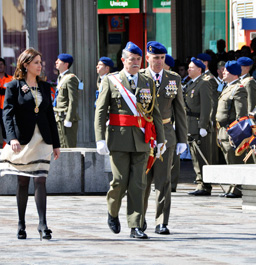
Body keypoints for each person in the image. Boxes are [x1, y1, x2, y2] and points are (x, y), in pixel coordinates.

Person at [94, 41, 165, 239]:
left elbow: (154, 112)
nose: (135, 63)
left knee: (138, 184)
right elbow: (100, 112)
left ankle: (135, 226)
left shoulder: (147, 81)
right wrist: (100, 139)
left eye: (138, 60)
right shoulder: (111, 80)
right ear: (123, 60)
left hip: (142, 140)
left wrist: (160, 139)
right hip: (118, 139)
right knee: (119, 182)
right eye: (131, 59)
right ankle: (112, 211)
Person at [0, 48, 60, 240]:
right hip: (23, 140)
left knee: (41, 179)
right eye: (36, 62)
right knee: (23, 181)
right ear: (25, 65)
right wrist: (12, 139)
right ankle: (21, 223)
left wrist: (56, 144)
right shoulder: (13, 86)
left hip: (42, 140)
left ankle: (43, 225)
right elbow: (7, 115)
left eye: (41, 62)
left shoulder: (44, 86)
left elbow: (50, 115)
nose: (40, 65)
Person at [140, 41, 187, 235]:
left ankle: (161, 221)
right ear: (147, 57)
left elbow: (180, 110)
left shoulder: (173, 79)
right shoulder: (138, 78)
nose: (158, 61)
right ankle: (139, 219)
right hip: (143, 135)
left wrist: (182, 138)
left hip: (166, 134)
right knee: (141, 180)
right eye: (155, 58)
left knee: (164, 180)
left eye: (161, 58)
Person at [216, 61, 247, 198]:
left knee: (234, 160)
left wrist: (236, 133)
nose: (223, 72)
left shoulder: (238, 88)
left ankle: (237, 188)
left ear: (234, 73)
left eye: (226, 71)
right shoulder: (227, 87)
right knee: (229, 160)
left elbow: (241, 114)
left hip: (231, 129)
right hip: (223, 129)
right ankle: (232, 186)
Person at [184, 57, 212, 196]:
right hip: (190, 124)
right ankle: (200, 181)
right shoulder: (191, 84)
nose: (189, 69)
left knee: (201, 156)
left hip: (197, 124)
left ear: (199, 70)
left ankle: (205, 185)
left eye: (191, 67)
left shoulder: (203, 84)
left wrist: (203, 125)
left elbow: (206, 107)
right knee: (195, 156)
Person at [54, 53, 79, 148]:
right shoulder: (60, 77)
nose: (56, 62)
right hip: (59, 117)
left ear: (66, 64)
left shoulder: (70, 78)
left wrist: (69, 118)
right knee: (61, 146)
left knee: (69, 147)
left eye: (59, 61)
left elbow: (73, 100)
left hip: (65, 117)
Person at [0, 58, 13, 144]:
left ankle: (7, 148)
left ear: (4, 66)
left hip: (6, 108)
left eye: (1, 64)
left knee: (7, 129)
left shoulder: (11, 79)